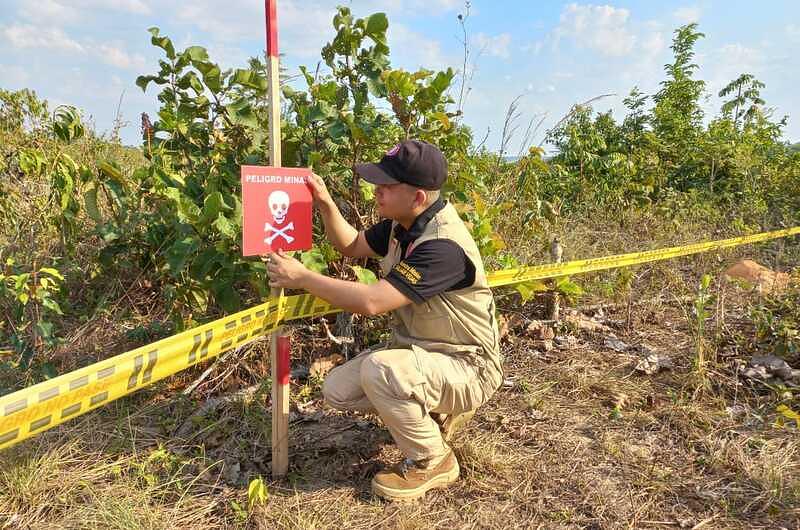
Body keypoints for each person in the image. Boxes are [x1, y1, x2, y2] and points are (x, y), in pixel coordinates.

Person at [267, 139, 502, 501]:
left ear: (418, 197)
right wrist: (326, 204)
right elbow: (352, 245)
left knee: (381, 370)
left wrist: (302, 278)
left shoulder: (443, 247)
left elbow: (373, 302)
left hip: (468, 365)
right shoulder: (402, 226)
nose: (376, 191)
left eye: (387, 186)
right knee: (337, 390)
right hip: (425, 353)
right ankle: (430, 414)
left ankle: (432, 460)